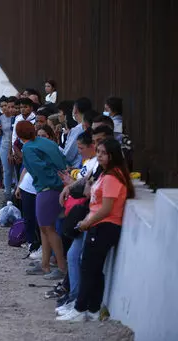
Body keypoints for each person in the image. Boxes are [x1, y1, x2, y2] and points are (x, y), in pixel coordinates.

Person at [57, 138, 134, 322]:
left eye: (103, 153)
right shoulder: (106, 174)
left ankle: (80, 308)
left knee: (88, 268)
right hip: (99, 225)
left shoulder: (112, 177)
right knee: (94, 269)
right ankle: (93, 308)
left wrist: (87, 222)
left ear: (112, 155)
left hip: (103, 226)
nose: (99, 156)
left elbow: (106, 208)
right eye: (98, 151)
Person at [16, 121, 68, 280]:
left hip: (46, 188)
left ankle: (61, 267)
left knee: (48, 229)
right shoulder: (45, 141)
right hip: (56, 186)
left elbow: (39, 170)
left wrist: (53, 183)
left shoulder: (28, 148)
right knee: (45, 228)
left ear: (19, 136)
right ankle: (45, 264)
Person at [61, 97, 92, 168]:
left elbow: (68, 155)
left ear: (75, 110)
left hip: (76, 168)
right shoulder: (84, 126)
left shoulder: (77, 129)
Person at [0, 96, 17, 198]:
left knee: (16, 171)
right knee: (7, 170)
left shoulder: (15, 117)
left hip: (14, 145)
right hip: (4, 145)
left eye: (7, 106)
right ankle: (7, 193)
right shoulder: (0, 118)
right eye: (3, 106)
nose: (6, 108)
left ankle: (17, 192)